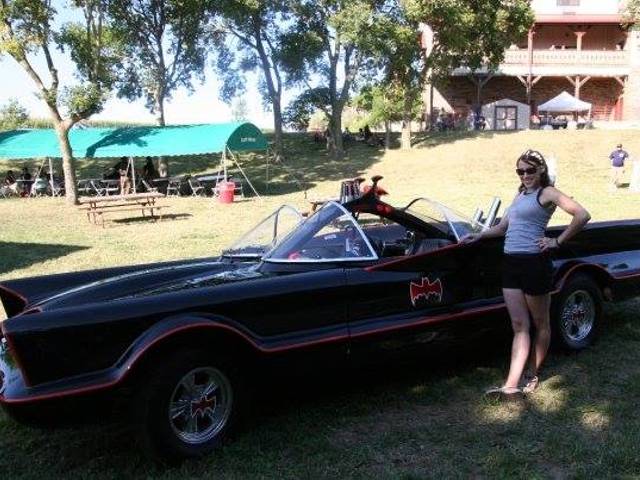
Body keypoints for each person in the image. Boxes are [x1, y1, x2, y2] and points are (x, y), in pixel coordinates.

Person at [462, 149, 590, 399]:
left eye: (530, 170)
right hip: (511, 263)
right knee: (519, 325)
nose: (525, 175)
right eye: (520, 171)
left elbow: (582, 215)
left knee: (541, 323)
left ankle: (532, 374)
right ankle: (510, 386)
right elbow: (502, 227)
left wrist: (557, 242)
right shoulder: (520, 194)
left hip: (534, 264)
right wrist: (478, 235)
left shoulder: (547, 193)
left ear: (541, 170)